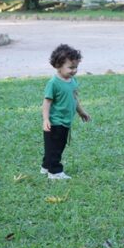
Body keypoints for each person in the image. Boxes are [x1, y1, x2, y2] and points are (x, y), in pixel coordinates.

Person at [41, 44, 91, 180]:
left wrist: (81, 112)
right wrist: (46, 119)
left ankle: (46, 167)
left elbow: (74, 98)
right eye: (71, 67)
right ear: (58, 65)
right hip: (55, 121)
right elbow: (47, 102)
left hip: (66, 121)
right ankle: (55, 172)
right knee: (55, 148)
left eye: (76, 67)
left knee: (55, 146)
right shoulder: (54, 83)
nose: (74, 70)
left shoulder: (72, 80)